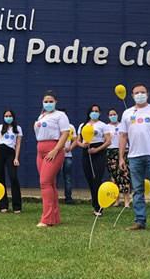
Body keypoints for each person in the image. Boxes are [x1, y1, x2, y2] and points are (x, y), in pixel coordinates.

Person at [118, 83, 150, 234]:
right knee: (138, 190)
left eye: (142, 92)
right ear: (132, 96)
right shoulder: (127, 113)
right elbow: (123, 136)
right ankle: (140, 221)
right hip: (134, 156)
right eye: (136, 93)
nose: (139, 95)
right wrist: (121, 157)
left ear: (148, 94)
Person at [34, 90, 70, 227]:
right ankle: (54, 217)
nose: (48, 104)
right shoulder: (42, 115)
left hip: (53, 149)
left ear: (56, 102)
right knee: (51, 184)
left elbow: (65, 134)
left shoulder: (60, 115)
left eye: (50, 101)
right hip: (40, 150)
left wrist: (56, 150)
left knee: (45, 182)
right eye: (45, 101)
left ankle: (46, 218)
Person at [76, 104, 111, 216]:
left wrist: (97, 150)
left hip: (99, 152)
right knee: (90, 180)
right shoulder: (83, 125)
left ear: (100, 113)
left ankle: (99, 206)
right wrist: (83, 145)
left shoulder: (103, 125)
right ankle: (94, 204)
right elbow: (78, 141)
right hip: (86, 153)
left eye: (96, 111)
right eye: (92, 111)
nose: (94, 113)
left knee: (97, 179)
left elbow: (108, 141)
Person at [0, 109, 23, 213]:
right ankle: (3, 206)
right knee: (0, 178)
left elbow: (18, 144)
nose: (8, 118)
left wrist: (16, 158)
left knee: (13, 177)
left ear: (13, 117)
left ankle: (17, 206)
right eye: (6, 116)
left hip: (10, 153)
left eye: (10, 116)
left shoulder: (18, 129)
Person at [106, 108, 131, 208]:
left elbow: (128, 138)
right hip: (111, 152)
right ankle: (116, 200)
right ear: (108, 116)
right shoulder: (106, 127)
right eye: (111, 115)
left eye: (114, 114)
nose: (113, 116)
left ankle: (126, 201)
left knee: (125, 176)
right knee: (114, 177)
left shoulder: (123, 125)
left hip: (124, 151)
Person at [57, 108, 76, 205]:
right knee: (55, 177)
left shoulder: (71, 127)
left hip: (67, 155)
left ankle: (68, 198)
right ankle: (53, 197)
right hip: (56, 155)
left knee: (67, 177)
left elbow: (75, 140)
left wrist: (70, 148)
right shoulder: (55, 126)